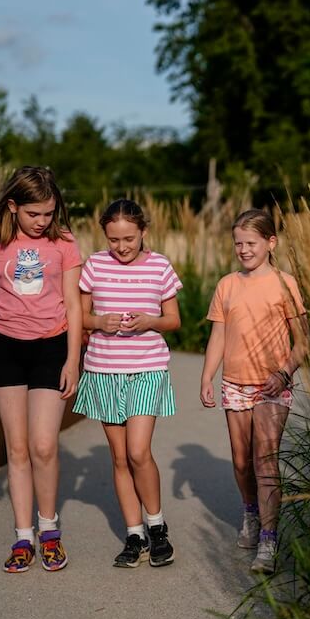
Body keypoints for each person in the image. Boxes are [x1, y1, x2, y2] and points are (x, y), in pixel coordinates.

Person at [0, 166, 82, 573]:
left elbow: (73, 303)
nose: (43, 221)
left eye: (49, 213)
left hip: (51, 348)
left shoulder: (64, 243)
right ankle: (23, 538)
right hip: (6, 351)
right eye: (35, 214)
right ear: (13, 206)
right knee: (16, 449)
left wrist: (72, 358)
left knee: (43, 445)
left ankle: (49, 530)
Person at [72, 199, 182, 568]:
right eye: (114, 239)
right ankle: (134, 534)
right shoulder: (94, 266)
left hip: (148, 367)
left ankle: (157, 526)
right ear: (104, 234)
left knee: (138, 451)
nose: (121, 247)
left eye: (129, 239)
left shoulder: (160, 266)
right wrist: (99, 322)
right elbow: (81, 316)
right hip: (103, 369)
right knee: (119, 457)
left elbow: (174, 321)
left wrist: (150, 321)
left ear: (143, 233)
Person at [200, 209, 308, 575]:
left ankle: (268, 536)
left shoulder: (284, 283)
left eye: (251, 243)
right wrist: (207, 376)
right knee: (241, 460)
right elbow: (217, 334)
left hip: (272, 384)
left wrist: (284, 372)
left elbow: (303, 342)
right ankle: (250, 511)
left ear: (270, 243)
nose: (243, 250)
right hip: (234, 382)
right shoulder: (227, 285)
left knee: (265, 458)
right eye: (238, 243)